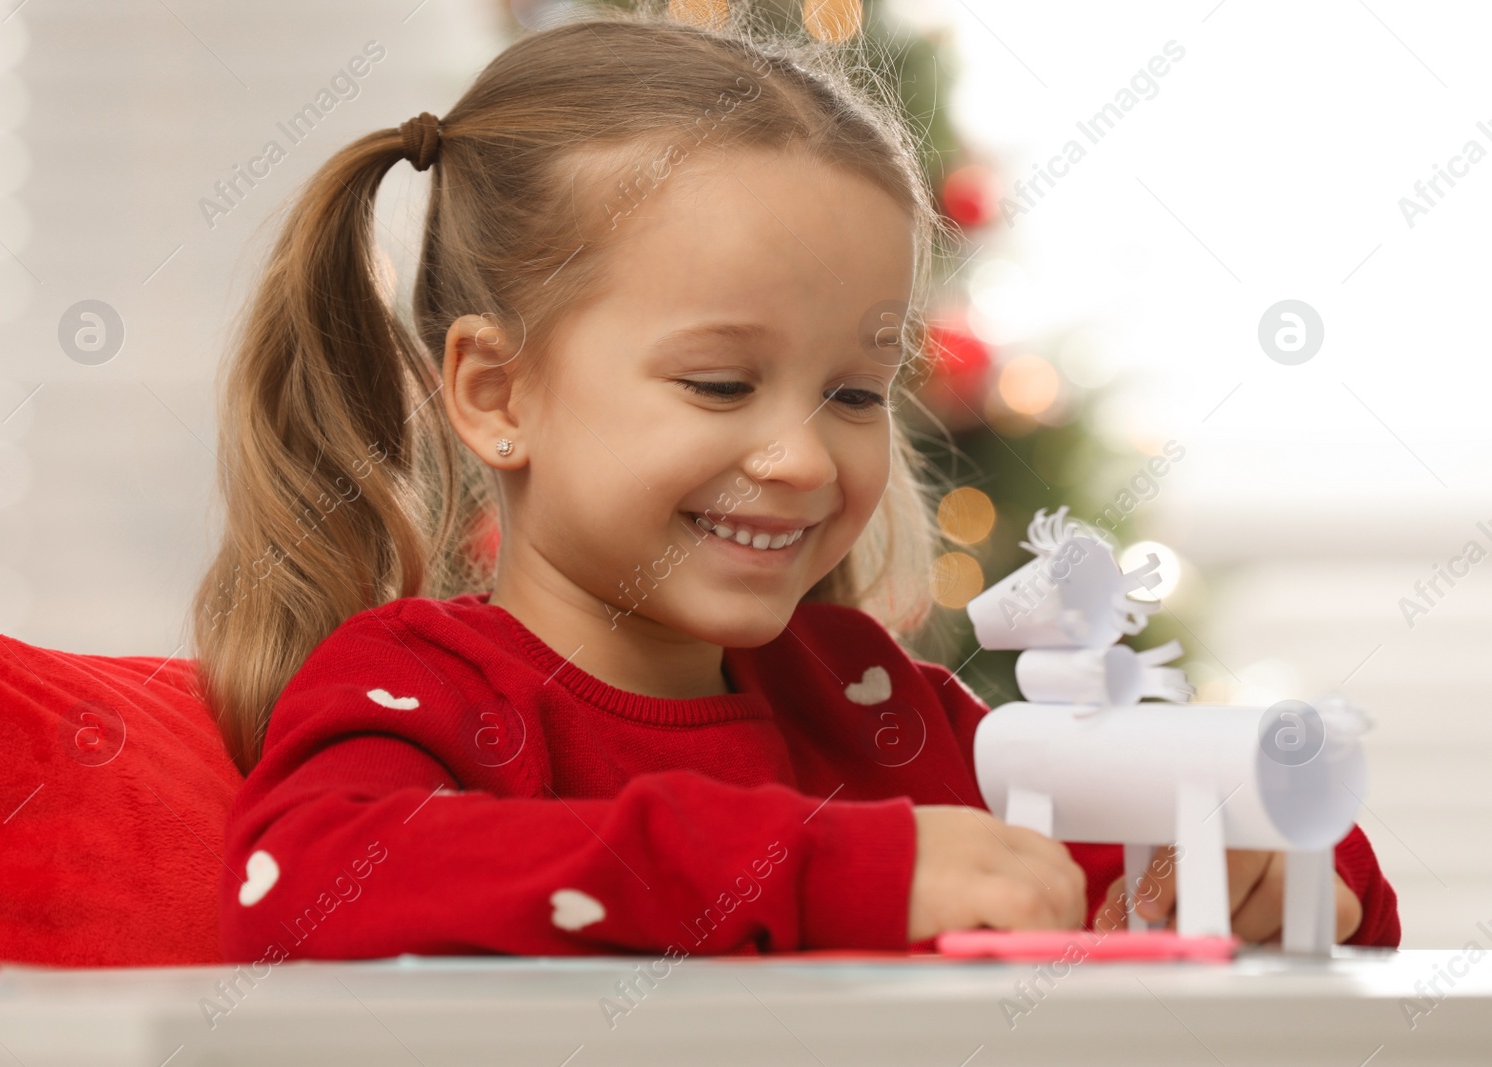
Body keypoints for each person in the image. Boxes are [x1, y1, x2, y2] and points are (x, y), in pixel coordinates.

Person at [193, 7, 1399, 961]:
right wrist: (825, 869)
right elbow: (303, 883)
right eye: (721, 384)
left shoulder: (873, 710)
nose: (808, 459)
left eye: (858, 392)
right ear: (499, 395)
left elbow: (1145, 843)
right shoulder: (424, 687)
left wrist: (1280, 860)